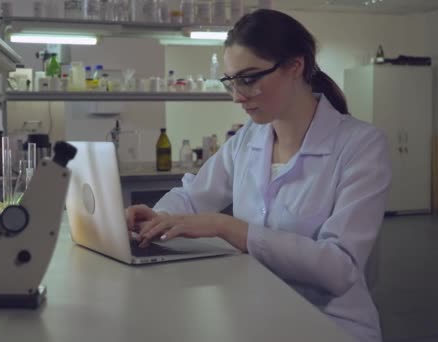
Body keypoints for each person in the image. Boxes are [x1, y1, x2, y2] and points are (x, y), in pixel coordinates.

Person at [125, 9, 391, 342]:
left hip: (329, 325)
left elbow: (338, 268)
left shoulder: (360, 145)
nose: (237, 95)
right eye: (231, 81)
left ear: (296, 66)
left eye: (249, 79)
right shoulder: (249, 139)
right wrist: (158, 217)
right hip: (254, 311)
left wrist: (227, 227)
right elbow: (193, 196)